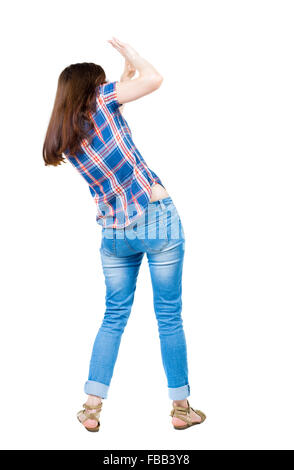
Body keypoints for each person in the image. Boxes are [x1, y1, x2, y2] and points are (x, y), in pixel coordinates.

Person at [42, 36, 206, 432]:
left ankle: (91, 407)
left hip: (114, 235)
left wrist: (122, 76)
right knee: (168, 316)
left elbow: (116, 108)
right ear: (92, 89)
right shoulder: (104, 101)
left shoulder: (67, 135)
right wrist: (131, 56)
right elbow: (154, 79)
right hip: (157, 220)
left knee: (113, 317)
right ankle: (181, 410)